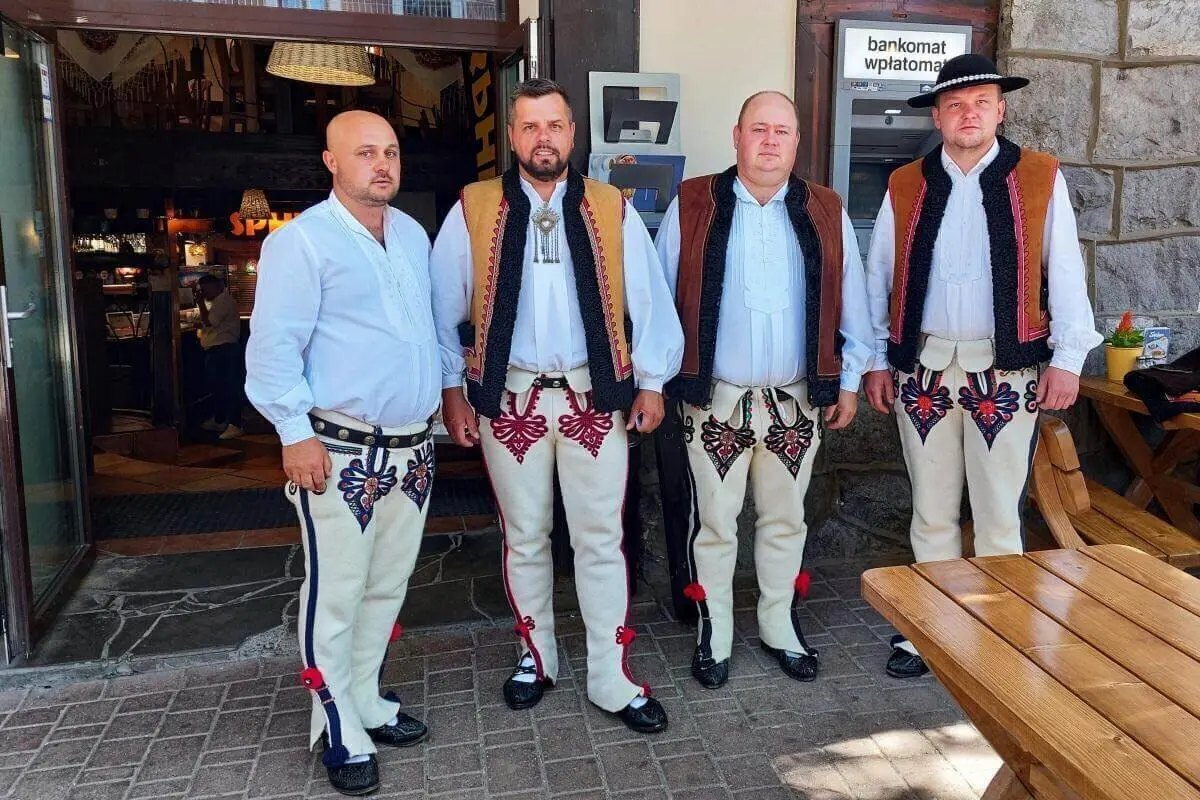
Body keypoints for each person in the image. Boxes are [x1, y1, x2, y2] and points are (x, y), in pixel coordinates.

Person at [431, 78, 684, 733]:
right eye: (530, 126)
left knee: (600, 539)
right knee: (525, 537)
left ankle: (609, 673)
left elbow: (651, 300)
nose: (543, 137)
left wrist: (652, 381)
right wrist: (452, 391)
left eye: (554, 125)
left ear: (572, 133)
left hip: (593, 398)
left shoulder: (611, 206)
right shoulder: (472, 206)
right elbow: (441, 307)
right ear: (513, 136)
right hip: (509, 400)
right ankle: (536, 657)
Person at [861, 54, 1103, 679]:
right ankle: (930, 629)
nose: (968, 114)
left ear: (1001, 110)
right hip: (923, 368)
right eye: (955, 105)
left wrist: (1068, 358)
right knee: (931, 507)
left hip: (1007, 371)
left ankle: (999, 629)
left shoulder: (1040, 176)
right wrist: (876, 359)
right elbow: (878, 275)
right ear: (937, 117)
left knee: (998, 509)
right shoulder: (905, 183)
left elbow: (1065, 272)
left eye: (981, 103)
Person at [245, 110, 438, 796]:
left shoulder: (411, 234)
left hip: (413, 449)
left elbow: (430, 330)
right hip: (339, 449)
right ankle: (334, 723)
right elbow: (273, 349)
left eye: (391, 151)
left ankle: (364, 699)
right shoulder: (301, 242)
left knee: (387, 585)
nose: (381, 164)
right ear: (331, 161)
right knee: (336, 591)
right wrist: (292, 432)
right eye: (364, 152)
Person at [656, 91, 874, 689]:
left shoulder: (825, 208)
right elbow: (659, 301)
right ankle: (716, 632)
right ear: (737, 135)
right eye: (759, 129)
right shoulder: (693, 203)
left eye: (782, 131)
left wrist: (849, 379)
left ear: (797, 141)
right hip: (714, 401)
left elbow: (852, 298)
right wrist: (659, 380)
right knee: (714, 524)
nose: (770, 141)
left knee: (785, 521)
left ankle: (779, 625)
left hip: (794, 401)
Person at [194, 274, 244, 439]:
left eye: (205, 290)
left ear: (216, 286)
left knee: (228, 387)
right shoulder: (219, 301)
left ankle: (235, 423)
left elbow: (210, 322)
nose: (204, 293)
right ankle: (221, 420)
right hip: (220, 350)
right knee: (219, 387)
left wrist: (200, 303)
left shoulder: (223, 301)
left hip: (224, 350)